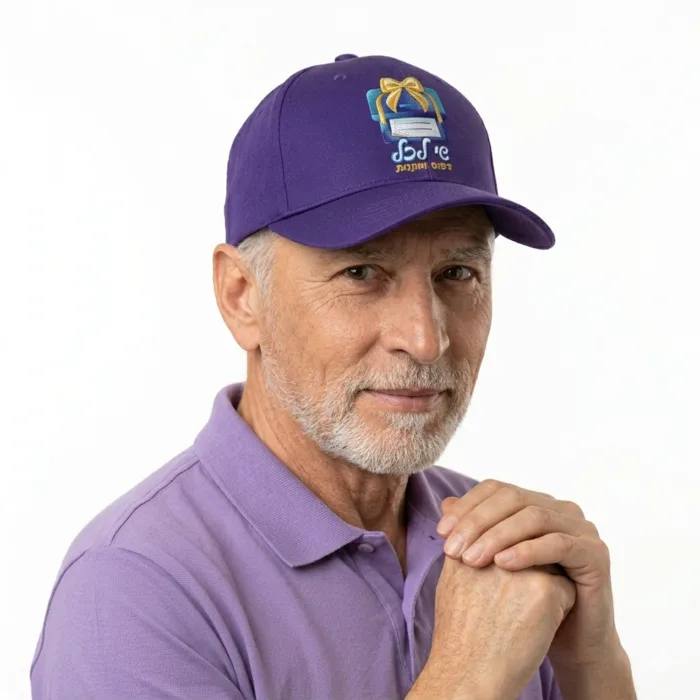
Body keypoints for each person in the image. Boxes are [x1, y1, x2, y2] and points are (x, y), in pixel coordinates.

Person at [30, 54, 636, 700]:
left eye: (457, 273)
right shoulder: (133, 589)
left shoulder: (500, 548)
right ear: (241, 295)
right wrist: (469, 678)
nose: (426, 338)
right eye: (361, 273)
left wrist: (591, 661)